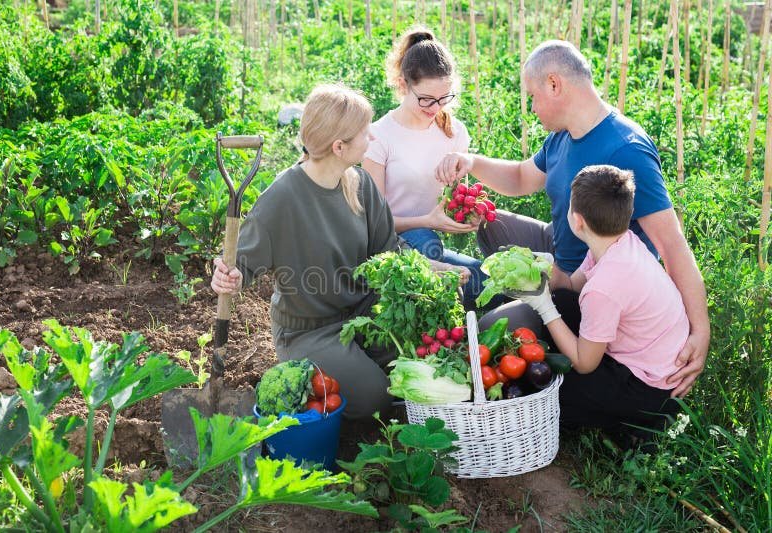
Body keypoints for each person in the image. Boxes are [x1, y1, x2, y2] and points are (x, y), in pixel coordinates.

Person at [435, 40, 709, 398]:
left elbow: (671, 245)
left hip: (595, 285)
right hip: (565, 254)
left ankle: (534, 306)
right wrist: (470, 161)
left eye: (533, 95)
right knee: (492, 223)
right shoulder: (562, 136)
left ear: (554, 84)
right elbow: (521, 177)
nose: (531, 107)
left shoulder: (627, 148)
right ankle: (529, 295)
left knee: (489, 327)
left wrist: (699, 330)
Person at [210, 84, 469, 420]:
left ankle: (360, 363)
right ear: (339, 146)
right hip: (309, 330)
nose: (372, 139)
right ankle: (329, 375)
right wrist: (229, 276)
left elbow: (390, 251)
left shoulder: (360, 185)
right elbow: (240, 263)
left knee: (426, 344)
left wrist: (438, 268)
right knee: (374, 399)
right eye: (365, 133)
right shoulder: (283, 198)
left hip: (364, 312)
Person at [522, 165, 685, 440]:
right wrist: (542, 268)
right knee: (562, 300)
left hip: (648, 387)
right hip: (655, 356)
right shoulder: (619, 243)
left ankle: (636, 426)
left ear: (578, 220)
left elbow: (585, 364)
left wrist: (543, 306)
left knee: (542, 384)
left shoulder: (604, 288)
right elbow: (572, 287)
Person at [363, 27, 486, 308]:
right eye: (426, 100)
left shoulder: (454, 133)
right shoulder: (379, 136)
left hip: (432, 244)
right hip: (391, 246)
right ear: (404, 85)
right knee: (426, 239)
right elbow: (373, 225)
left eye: (444, 98)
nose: (435, 108)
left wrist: (469, 215)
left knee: (485, 277)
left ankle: (459, 324)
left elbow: (458, 200)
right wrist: (428, 221)